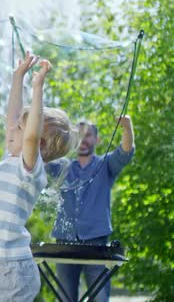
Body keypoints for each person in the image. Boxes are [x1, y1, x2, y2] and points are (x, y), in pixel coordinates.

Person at [0, 52, 77, 301]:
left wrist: (37, 88)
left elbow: (31, 135)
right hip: (3, 269)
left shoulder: (28, 169)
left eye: (20, 128)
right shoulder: (11, 159)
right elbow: (13, 118)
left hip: (12, 273)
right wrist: (17, 77)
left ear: (37, 144)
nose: (11, 129)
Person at [51, 116, 135, 302]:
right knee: (64, 298)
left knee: (99, 298)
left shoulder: (105, 165)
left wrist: (127, 127)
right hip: (64, 242)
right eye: (79, 135)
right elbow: (39, 157)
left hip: (97, 241)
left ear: (97, 140)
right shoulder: (62, 167)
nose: (83, 139)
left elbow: (125, 152)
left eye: (88, 135)